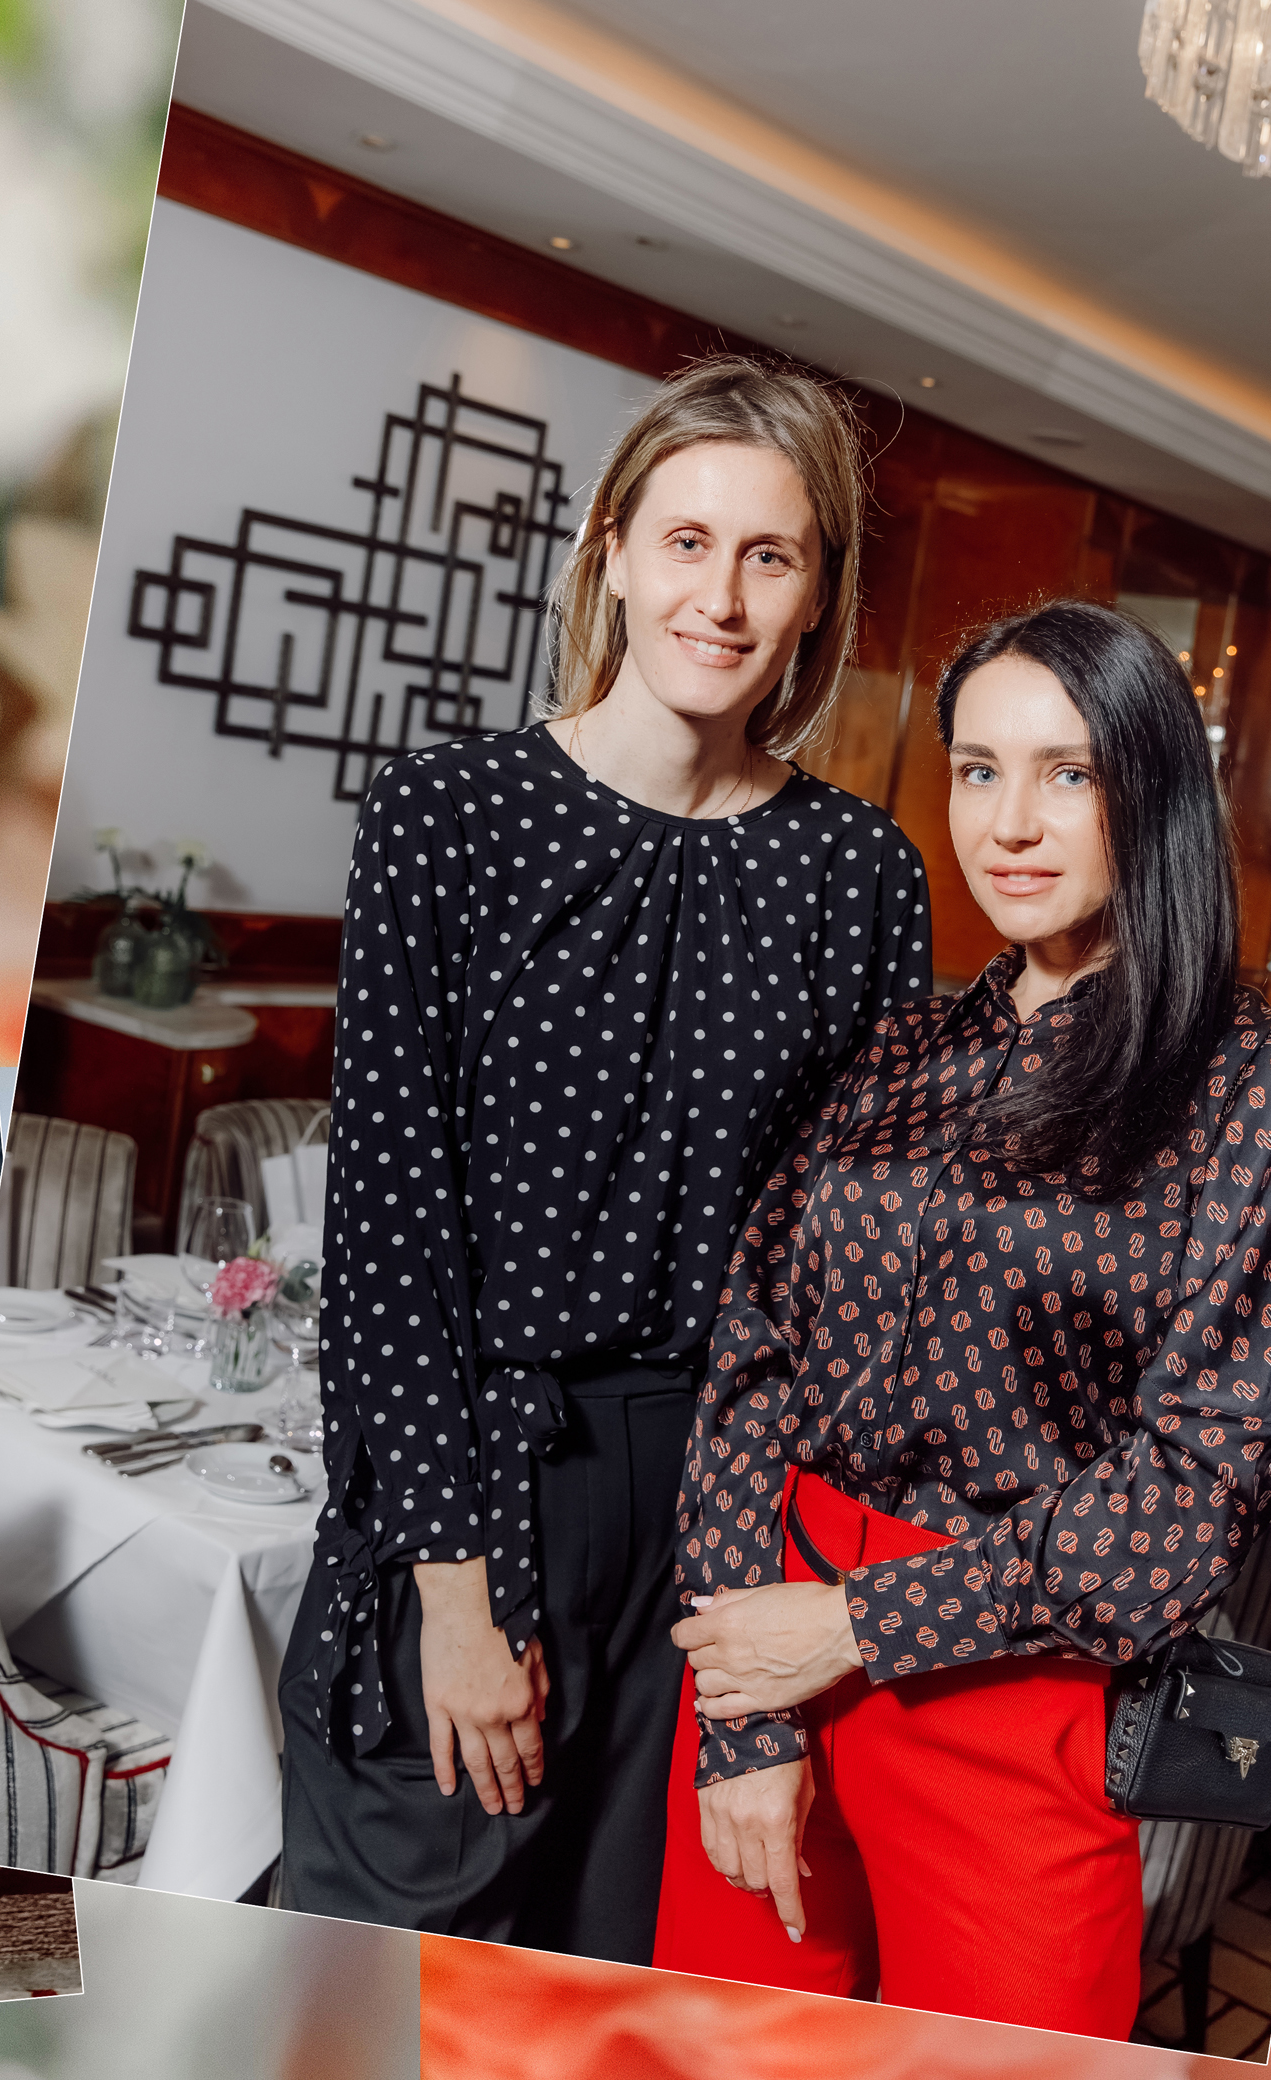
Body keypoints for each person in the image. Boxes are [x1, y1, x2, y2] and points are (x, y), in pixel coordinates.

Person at [277, 357, 933, 1957]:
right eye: (687, 541)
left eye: (769, 557)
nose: (722, 595)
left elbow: (855, 1275)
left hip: (726, 1508)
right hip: (478, 1474)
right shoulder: (450, 816)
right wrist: (452, 1594)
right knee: (389, 1978)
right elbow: (389, 1240)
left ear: (817, 598)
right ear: (614, 550)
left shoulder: (860, 873)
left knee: (615, 1987)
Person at [654, 600, 1271, 2033]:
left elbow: (1198, 1484)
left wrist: (858, 1624)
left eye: (1069, 772)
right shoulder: (892, 1052)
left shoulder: (1267, 1089)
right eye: (979, 770)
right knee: (712, 2053)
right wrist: (746, 1710)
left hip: (1015, 1698)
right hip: (769, 1641)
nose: (1012, 824)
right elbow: (750, 1366)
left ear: (1151, 791)